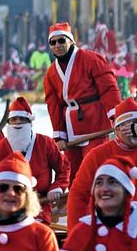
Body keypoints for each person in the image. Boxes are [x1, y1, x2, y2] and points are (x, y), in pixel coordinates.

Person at [66, 99, 137, 223]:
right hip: (111, 222)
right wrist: (78, 233)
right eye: (133, 124)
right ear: (118, 128)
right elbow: (78, 195)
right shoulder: (97, 155)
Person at [41, 22, 121, 175]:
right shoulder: (51, 73)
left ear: (71, 41)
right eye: (53, 42)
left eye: (61, 41)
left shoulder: (92, 59)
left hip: (95, 126)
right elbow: (53, 105)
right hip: (70, 131)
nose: (57, 45)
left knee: (94, 168)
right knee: (72, 173)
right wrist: (59, 135)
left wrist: (117, 117)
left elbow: (109, 89)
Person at [0, 96, 69, 215]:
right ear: (8, 123)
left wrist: (57, 187)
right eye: (14, 119)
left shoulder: (46, 143)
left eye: (22, 119)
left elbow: (63, 168)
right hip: (7, 205)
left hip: (39, 203)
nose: (18, 122)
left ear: (30, 123)